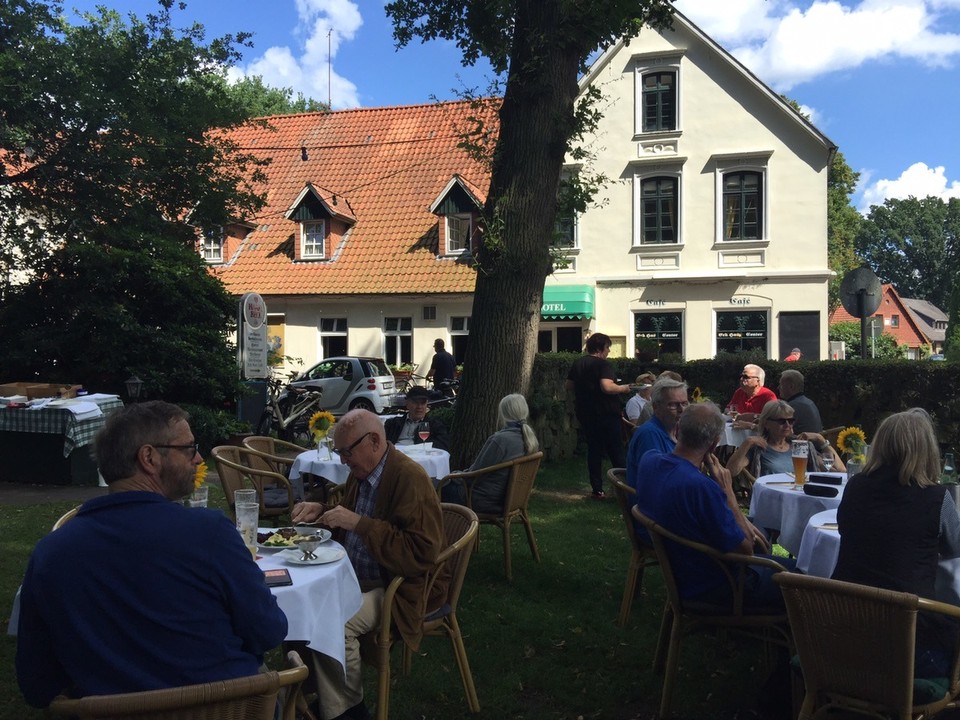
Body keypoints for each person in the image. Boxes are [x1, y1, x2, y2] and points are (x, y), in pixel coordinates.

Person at [16, 401, 287, 708]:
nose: (199, 459)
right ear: (149, 457)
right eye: (189, 448)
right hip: (223, 710)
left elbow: (36, 683)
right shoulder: (208, 534)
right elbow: (269, 631)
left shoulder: (51, 553)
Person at [291, 410, 445, 720]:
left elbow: (421, 554)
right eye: (340, 453)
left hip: (395, 586)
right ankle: (314, 693)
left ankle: (348, 710)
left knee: (334, 621)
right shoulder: (362, 472)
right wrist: (321, 510)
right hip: (353, 575)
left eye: (347, 452)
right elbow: (352, 518)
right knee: (301, 604)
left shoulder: (408, 478)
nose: (344, 460)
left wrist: (360, 524)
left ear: (373, 441)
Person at [833, 409, 960, 678]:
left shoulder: (855, 486)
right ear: (926, 449)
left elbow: (846, 527)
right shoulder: (936, 498)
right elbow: (955, 547)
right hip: (908, 645)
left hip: (845, 630)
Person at [633, 402, 788, 608]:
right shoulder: (702, 488)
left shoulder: (649, 460)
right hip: (721, 586)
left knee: (758, 529)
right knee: (803, 574)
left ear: (678, 430)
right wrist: (730, 497)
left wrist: (740, 519)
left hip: (684, 571)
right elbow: (746, 550)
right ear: (714, 444)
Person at [565, 332, 633, 499]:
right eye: (608, 347)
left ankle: (597, 489)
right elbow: (607, 387)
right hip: (606, 413)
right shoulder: (603, 365)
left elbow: (568, 385)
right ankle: (625, 489)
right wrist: (624, 388)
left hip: (586, 413)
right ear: (601, 348)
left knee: (594, 451)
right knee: (616, 451)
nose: (609, 351)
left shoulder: (578, 363)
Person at [446, 394, 540, 512]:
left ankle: (447, 528)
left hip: (484, 499)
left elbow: (474, 474)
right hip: (508, 499)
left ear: (503, 414)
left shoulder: (500, 440)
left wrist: (453, 476)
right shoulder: (529, 439)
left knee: (442, 487)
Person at [725, 399, 843, 479]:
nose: (788, 425)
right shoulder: (759, 447)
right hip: (773, 498)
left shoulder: (800, 447)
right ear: (766, 423)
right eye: (782, 421)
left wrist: (821, 439)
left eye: (791, 421)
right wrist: (747, 443)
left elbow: (840, 471)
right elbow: (731, 471)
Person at [626, 378, 688, 492]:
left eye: (684, 403)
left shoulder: (677, 432)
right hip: (652, 505)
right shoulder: (649, 434)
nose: (682, 409)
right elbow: (655, 483)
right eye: (673, 404)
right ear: (656, 407)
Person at [383, 385, 450, 451]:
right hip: (395, 457)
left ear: (427, 404)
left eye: (423, 403)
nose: (419, 407)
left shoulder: (435, 426)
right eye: (415, 402)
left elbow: (443, 445)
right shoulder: (393, 424)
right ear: (407, 403)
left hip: (419, 459)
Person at [777, 369, 822, 434]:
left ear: (791, 387)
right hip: (813, 442)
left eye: (781, 385)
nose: (778, 388)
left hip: (802, 442)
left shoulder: (794, 406)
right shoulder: (808, 402)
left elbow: (778, 428)